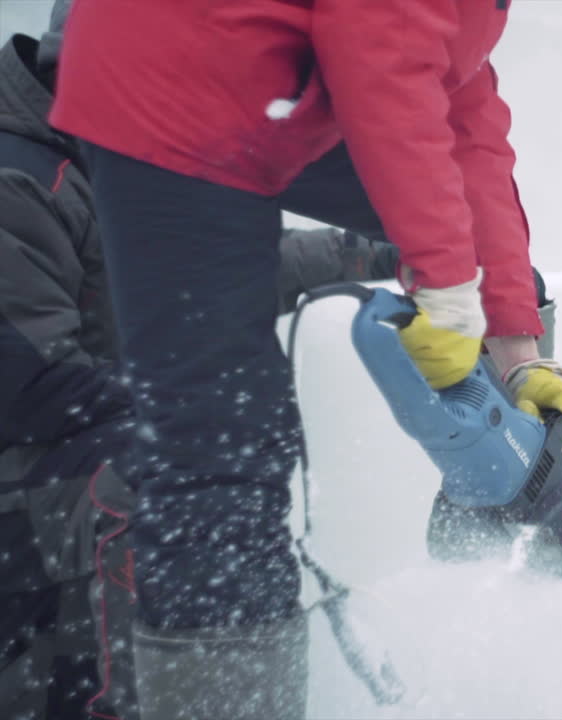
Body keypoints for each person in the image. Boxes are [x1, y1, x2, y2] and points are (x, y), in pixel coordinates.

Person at [49, 0, 562, 717]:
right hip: (176, 78)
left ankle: (515, 483)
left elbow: (461, 112)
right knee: (222, 443)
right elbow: (382, 49)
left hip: (288, 76)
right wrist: (449, 288)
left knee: (479, 255)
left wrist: (518, 352)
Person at [0, 20, 402, 718]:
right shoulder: (18, 180)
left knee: (213, 449)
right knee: (181, 470)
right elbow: (30, 386)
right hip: (28, 486)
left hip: (73, 457)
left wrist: (363, 254)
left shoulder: (107, 154)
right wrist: (185, 398)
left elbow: (205, 273)